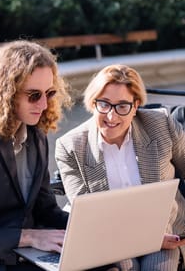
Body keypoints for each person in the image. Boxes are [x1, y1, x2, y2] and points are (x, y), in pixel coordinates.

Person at [0, 40, 73, 271]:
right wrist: (27, 237)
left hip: (26, 257)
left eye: (49, 93)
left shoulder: (35, 131)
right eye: (34, 95)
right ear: (5, 93)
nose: (45, 104)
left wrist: (96, 229)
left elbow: (45, 210)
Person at [55, 64, 185, 271]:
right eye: (104, 104)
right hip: (109, 236)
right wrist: (146, 239)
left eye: (122, 106)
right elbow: (88, 217)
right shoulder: (70, 146)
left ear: (135, 106)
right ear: (92, 103)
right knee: (125, 267)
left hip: (165, 231)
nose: (112, 116)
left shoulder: (162, 125)